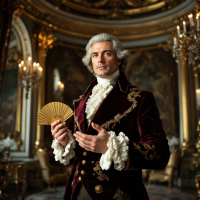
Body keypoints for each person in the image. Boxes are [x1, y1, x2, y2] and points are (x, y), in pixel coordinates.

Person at [51, 33, 170, 200]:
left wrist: (111, 147)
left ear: (119, 59)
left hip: (118, 193)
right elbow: (78, 153)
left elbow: (160, 153)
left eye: (107, 53)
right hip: (77, 191)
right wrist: (65, 142)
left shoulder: (140, 98)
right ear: (90, 61)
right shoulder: (78, 102)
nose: (100, 59)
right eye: (95, 55)